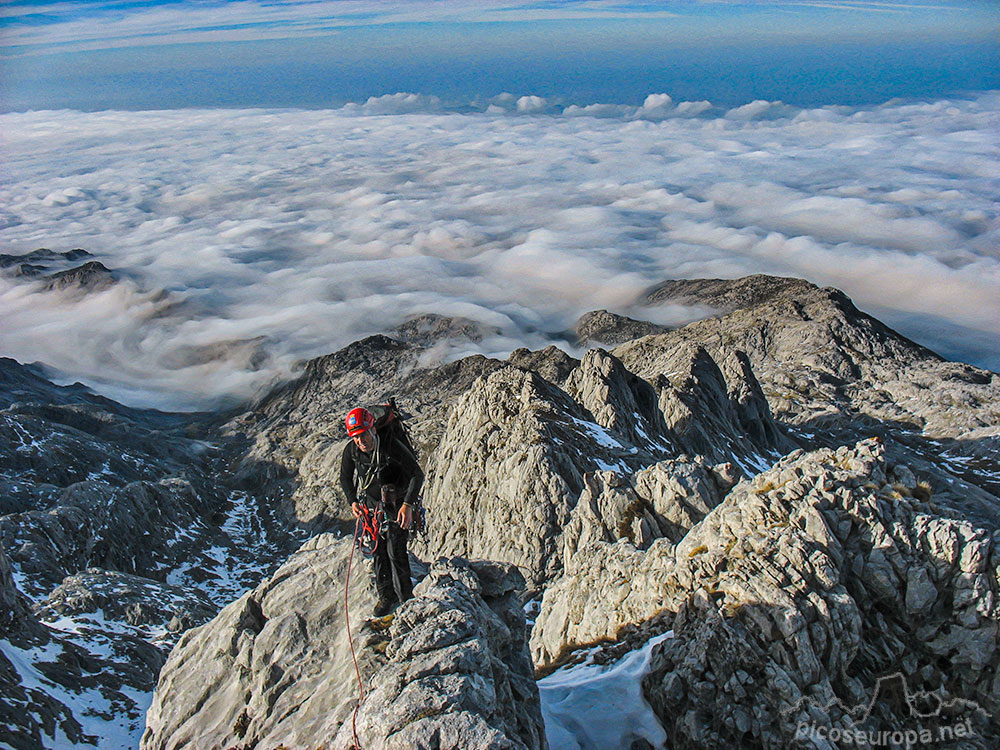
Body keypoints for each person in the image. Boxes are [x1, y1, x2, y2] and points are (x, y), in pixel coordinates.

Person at [339, 406, 424, 617]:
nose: (361, 441)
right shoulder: (351, 451)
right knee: (378, 552)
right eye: (356, 437)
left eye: (363, 435)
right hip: (371, 508)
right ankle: (386, 596)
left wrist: (407, 505)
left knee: (396, 552)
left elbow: (416, 474)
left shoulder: (390, 446)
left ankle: (406, 600)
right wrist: (352, 501)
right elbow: (345, 477)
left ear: (373, 430)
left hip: (396, 506)